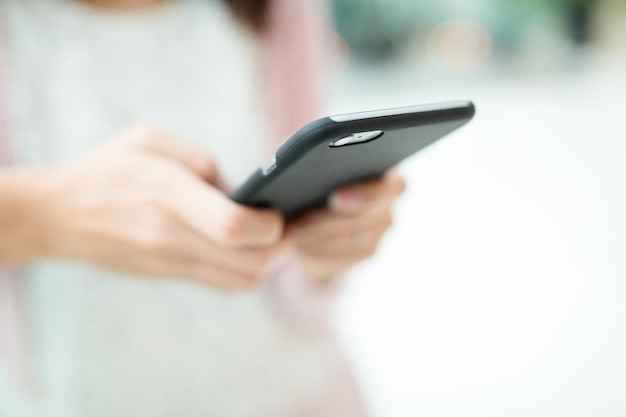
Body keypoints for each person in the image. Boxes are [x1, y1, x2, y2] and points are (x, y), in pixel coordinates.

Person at [0, 0, 405, 416]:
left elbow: (300, 272)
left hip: (298, 395)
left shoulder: (282, 7)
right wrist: (51, 213)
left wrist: (327, 248)